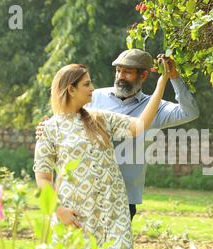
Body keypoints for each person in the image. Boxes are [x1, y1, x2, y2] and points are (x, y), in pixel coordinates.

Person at [33, 61, 170, 249]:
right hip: (77, 215)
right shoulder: (50, 129)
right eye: (86, 84)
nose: (92, 89)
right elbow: (43, 179)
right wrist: (59, 211)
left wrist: (162, 84)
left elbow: (139, 126)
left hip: (113, 211)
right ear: (71, 89)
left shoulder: (100, 119)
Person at [37, 49, 199, 221]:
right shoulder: (94, 97)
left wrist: (172, 77)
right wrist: (47, 128)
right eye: (118, 70)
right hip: (84, 192)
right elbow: (65, 119)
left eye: (127, 72)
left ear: (143, 76)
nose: (120, 76)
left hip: (123, 197)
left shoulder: (156, 107)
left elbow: (189, 112)